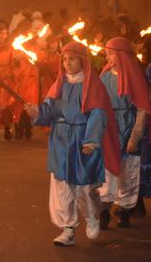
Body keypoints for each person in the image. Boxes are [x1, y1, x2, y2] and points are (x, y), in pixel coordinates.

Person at [25, 42, 121, 246]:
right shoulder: (59, 84)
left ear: (82, 61)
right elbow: (49, 110)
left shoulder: (93, 85)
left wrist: (91, 140)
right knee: (61, 186)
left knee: (84, 186)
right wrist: (37, 112)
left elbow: (98, 113)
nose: (67, 63)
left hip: (82, 140)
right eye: (64, 59)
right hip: (60, 141)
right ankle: (67, 228)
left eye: (72, 59)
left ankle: (92, 216)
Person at [97, 37, 150, 228]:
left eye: (111, 53)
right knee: (108, 168)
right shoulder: (104, 77)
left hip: (128, 127)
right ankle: (104, 207)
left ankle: (125, 209)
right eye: (107, 53)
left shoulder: (134, 78)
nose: (108, 57)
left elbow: (142, 108)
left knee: (129, 171)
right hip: (110, 129)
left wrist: (135, 136)